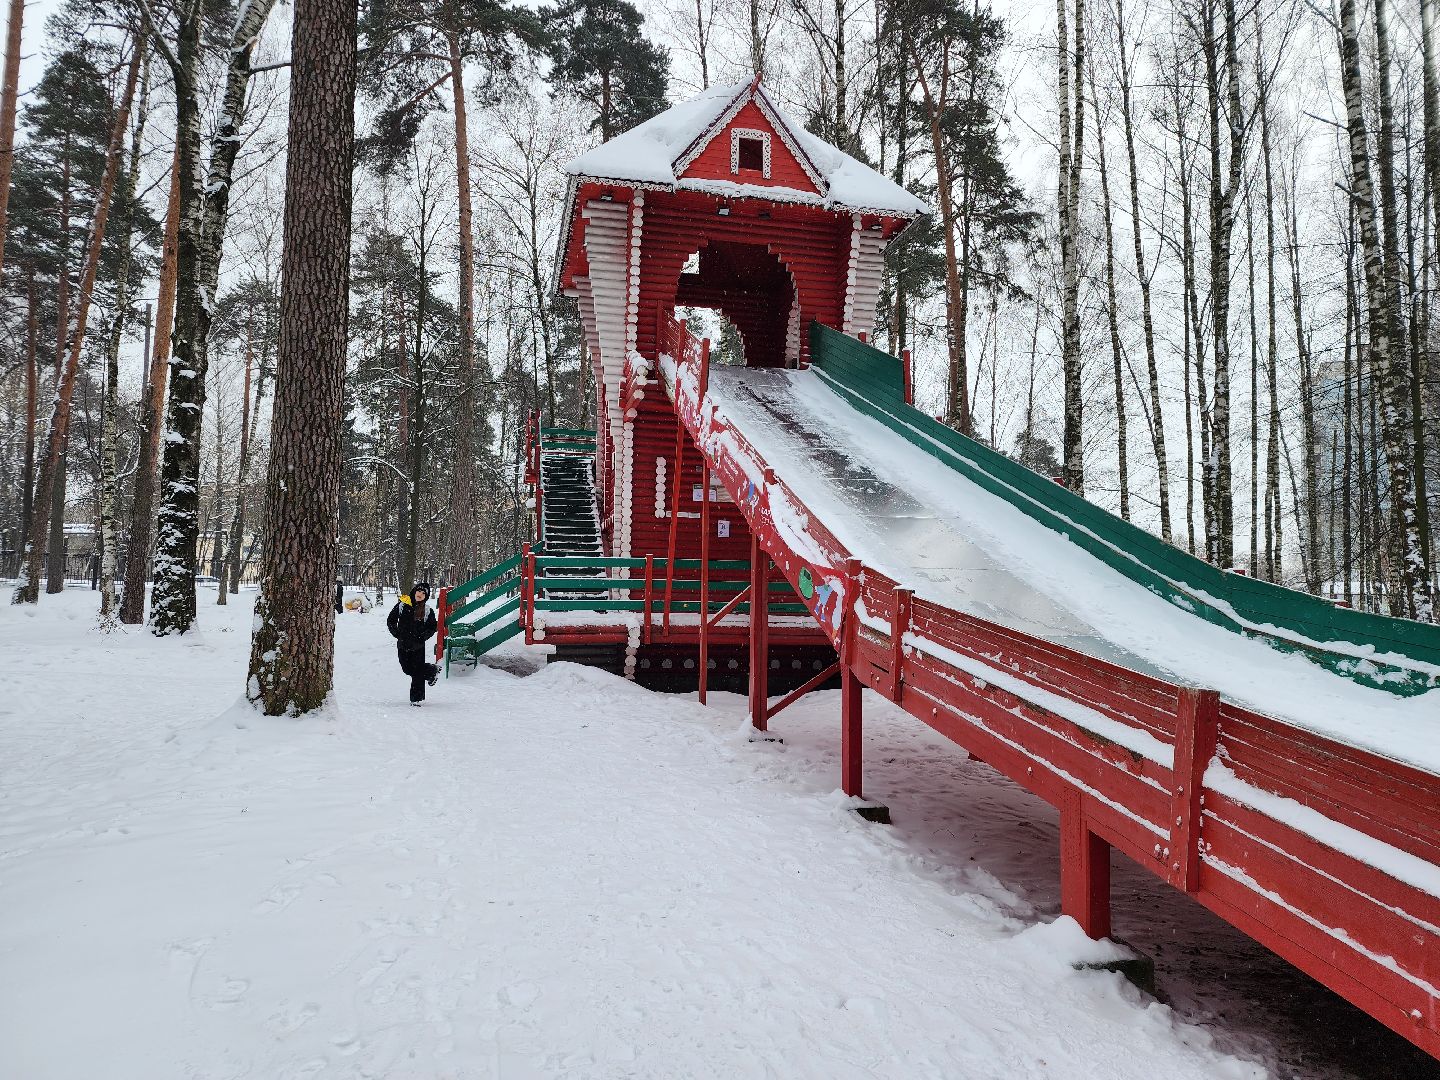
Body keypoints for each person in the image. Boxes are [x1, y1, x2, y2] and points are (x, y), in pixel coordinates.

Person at [387, 581, 439, 706]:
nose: (420, 594)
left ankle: (416, 699)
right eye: (418, 591)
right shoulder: (402, 605)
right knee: (407, 669)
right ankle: (432, 670)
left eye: (423, 593)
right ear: (414, 591)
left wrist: (422, 637)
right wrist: (397, 633)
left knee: (417, 672)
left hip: (418, 647)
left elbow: (432, 627)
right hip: (403, 644)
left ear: (426, 596)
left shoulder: (427, 610)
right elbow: (391, 620)